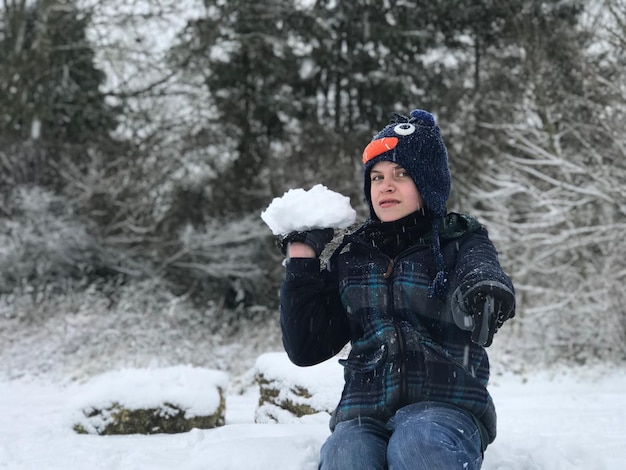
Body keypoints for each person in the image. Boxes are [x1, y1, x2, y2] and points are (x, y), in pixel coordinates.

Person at [278, 109, 515, 470]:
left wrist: (485, 289)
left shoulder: (459, 239)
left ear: (429, 182)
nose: (385, 185)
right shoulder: (351, 255)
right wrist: (302, 260)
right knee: (346, 455)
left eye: (401, 174)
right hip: (364, 412)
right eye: (376, 177)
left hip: (445, 405)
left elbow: (481, 268)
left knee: (417, 443)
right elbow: (306, 347)